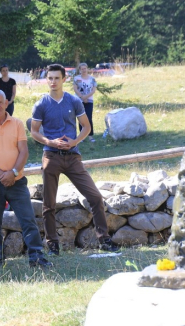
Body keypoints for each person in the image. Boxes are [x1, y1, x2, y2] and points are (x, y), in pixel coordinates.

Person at [30, 64, 119, 256]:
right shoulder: (41, 104)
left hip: (72, 157)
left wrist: (75, 142)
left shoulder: (74, 101)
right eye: (50, 78)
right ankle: (52, 244)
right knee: (49, 204)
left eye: (56, 78)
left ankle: (103, 238)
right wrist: (50, 142)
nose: (53, 81)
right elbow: (34, 132)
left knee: (95, 197)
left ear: (64, 79)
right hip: (51, 156)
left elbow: (86, 127)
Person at [0, 90, 51, 268]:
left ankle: (37, 257)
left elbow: (24, 151)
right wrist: (2, 174)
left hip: (17, 180)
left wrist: (14, 172)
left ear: (6, 103)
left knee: (28, 219)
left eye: (0, 102)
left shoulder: (16, 124)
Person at [73, 63, 97, 142]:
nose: (83, 70)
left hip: (89, 100)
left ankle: (90, 136)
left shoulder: (92, 79)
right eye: (82, 69)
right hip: (79, 100)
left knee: (89, 118)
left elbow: (93, 90)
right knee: (81, 118)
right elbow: (75, 89)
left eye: (85, 68)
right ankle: (81, 137)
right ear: (80, 70)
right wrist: (82, 97)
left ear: (87, 69)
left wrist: (86, 97)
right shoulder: (76, 78)